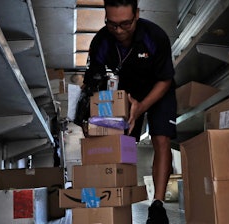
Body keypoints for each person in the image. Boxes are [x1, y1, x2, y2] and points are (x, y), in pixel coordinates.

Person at [82, 0, 177, 223]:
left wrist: (141, 107)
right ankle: (114, 195)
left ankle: (158, 206)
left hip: (158, 90)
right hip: (123, 94)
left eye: (125, 24)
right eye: (112, 24)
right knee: (119, 141)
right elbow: (93, 85)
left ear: (137, 14)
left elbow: (165, 79)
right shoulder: (101, 42)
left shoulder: (155, 37)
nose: (118, 31)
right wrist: (90, 118)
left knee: (161, 138)